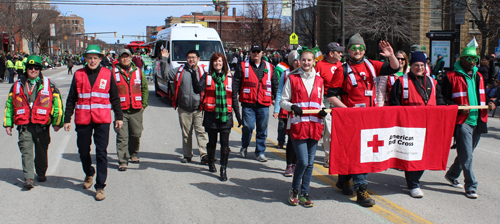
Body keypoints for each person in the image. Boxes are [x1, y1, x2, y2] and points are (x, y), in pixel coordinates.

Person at [326, 33, 400, 207]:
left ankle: (344, 180)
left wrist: (391, 56)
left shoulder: (372, 65)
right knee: (357, 152)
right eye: (353, 48)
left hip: (368, 118)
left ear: (364, 50)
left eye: (360, 48)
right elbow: (331, 95)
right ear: (348, 51)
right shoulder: (341, 69)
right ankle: (361, 189)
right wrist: (347, 112)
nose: (357, 51)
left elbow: (394, 68)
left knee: (360, 152)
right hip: (350, 119)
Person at [63, 45, 124, 201]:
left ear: (100, 59)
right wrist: (67, 118)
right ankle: (89, 172)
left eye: (95, 58)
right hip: (83, 119)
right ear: (85, 59)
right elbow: (71, 98)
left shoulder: (107, 74)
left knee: (101, 152)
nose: (92, 61)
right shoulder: (78, 74)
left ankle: (100, 187)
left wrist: (119, 117)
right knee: (83, 151)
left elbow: (115, 97)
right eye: (89, 58)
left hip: (101, 119)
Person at [388, 51, 446, 198]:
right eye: (416, 65)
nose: (419, 68)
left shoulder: (432, 82)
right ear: (411, 66)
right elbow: (394, 104)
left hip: (429, 125)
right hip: (409, 126)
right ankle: (413, 184)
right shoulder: (401, 82)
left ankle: (414, 180)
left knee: (424, 155)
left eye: (422, 65)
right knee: (413, 155)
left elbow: (439, 99)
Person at [3, 55, 64, 189]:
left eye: (36, 68)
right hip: (24, 126)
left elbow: (57, 104)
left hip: (42, 126)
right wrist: (8, 124)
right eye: (30, 68)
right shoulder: (16, 85)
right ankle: (29, 178)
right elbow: (9, 105)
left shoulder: (49, 84)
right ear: (26, 69)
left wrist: (57, 122)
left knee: (42, 151)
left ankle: (41, 173)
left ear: (40, 69)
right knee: (26, 152)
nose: (33, 70)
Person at [442, 47, 494, 199]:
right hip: (462, 121)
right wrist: (457, 108)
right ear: (461, 59)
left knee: (466, 154)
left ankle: (452, 175)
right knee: (468, 155)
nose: (472, 62)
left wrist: (491, 102)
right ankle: (471, 186)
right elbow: (443, 98)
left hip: (478, 120)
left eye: (474, 59)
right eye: (469, 59)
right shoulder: (450, 76)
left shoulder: (479, 76)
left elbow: (482, 94)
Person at [280, 47, 327, 207]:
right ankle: (294, 190)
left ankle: (305, 193)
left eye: (309, 60)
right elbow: (283, 101)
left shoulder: (320, 80)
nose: (306, 63)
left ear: (314, 62)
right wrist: (292, 107)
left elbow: (319, 102)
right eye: (304, 60)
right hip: (298, 126)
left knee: (311, 162)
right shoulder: (292, 78)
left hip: (314, 125)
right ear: (299, 61)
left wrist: (322, 111)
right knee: (303, 161)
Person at [192, 52, 241, 181]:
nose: (217, 63)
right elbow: (198, 89)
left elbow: (234, 99)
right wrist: (193, 76)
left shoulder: (230, 77)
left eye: (220, 61)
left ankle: (223, 169)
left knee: (225, 143)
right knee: (212, 142)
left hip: (226, 116)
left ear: (224, 63)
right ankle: (211, 162)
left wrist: (239, 116)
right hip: (211, 115)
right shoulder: (207, 76)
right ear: (212, 63)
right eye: (215, 61)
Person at [233, 45, 278, 162]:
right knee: (248, 127)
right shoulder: (243, 66)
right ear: (250, 53)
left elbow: (275, 84)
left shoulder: (270, 67)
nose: (256, 53)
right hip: (248, 103)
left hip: (264, 103)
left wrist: (275, 98)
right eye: (254, 51)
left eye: (258, 51)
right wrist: (234, 97)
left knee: (262, 129)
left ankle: (260, 152)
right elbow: (236, 83)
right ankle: (244, 146)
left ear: (262, 53)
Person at [165, 49, 209, 163]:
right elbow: (166, 75)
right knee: (186, 133)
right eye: (189, 57)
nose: (191, 59)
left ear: (198, 59)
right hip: (184, 108)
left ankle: (204, 155)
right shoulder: (179, 71)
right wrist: (164, 60)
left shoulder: (203, 71)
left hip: (199, 109)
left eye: (194, 57)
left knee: (201, 132)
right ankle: (187, 155)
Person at [112, 49, 149, 171]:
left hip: (136, 110)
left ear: (131, 57)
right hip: (121, 111)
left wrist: (144, 105)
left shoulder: (138, 71)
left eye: (127, 57)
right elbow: (110, 92)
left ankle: (133, 154)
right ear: (119, 58)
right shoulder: (113, 72)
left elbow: (144, 88)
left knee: (135, 134)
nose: (125, 59)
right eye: (123, 57)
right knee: (122, 136)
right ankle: (123, 160)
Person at [314, 42, 344, 167]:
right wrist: (319, 103)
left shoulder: (342, 65)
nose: (341, 54)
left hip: (340, 99)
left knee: (339, 130)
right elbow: (316, 86)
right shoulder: (319, 66)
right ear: (331, 53)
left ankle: (338, 155)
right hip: (326, 99)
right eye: (339, 52)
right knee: (328, 131)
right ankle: (328, 158)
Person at [273, 50, 300, 176]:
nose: (299, 62)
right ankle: (289, 165)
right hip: (289, 110)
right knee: (291, 138)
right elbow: (280, 93)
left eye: (301, 59)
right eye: (296, 60)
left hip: (303, 111)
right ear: (291, 61)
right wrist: (276, 110)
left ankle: (296, 163)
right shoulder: (286, 74)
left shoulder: (308, 74)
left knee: (300, 138)